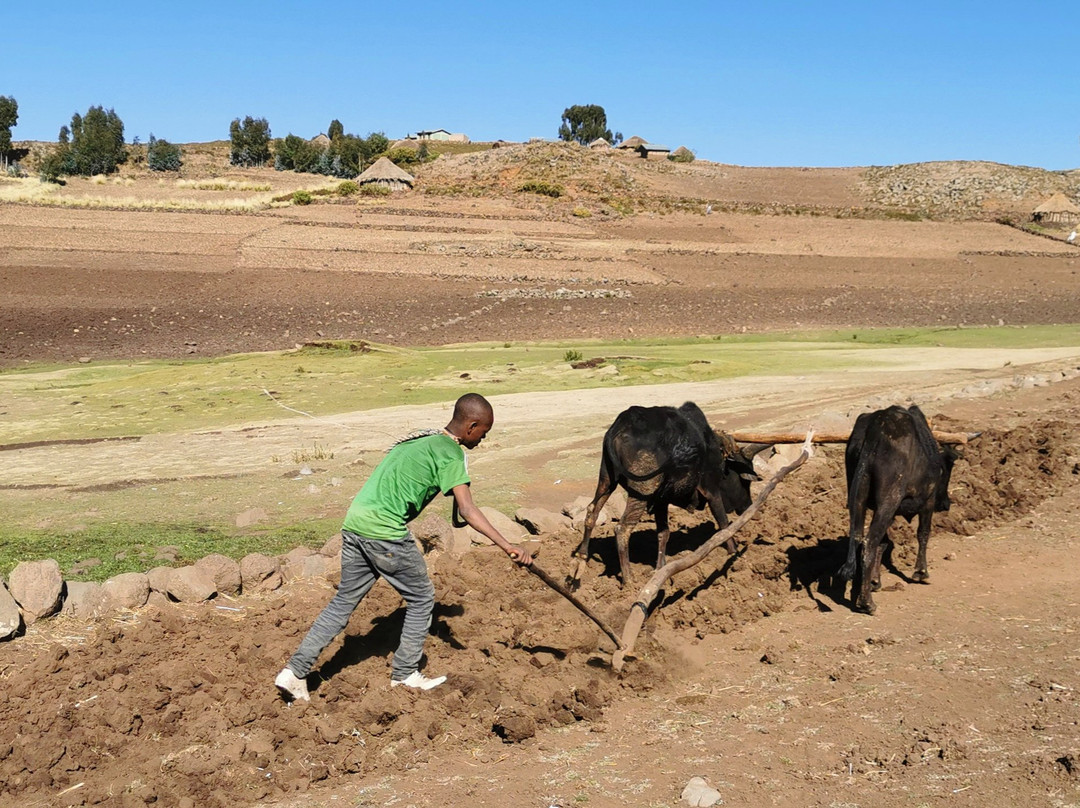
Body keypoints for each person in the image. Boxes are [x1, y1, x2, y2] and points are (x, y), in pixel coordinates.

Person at [275, 393, 533, 701]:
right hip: (384, 531)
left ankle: (294, 672)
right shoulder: (450, 453)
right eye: (483, 433)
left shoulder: (418, 441)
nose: (483, 439)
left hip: (355, 523)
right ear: (471, 426)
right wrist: (508, 545)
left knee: (343, 601)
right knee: (423, 598)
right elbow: (467, 509)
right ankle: (406, 674)